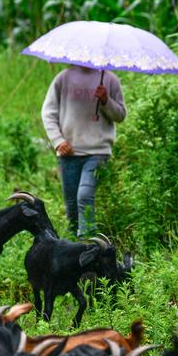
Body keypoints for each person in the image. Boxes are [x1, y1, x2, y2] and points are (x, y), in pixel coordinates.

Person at [41, 65, 126, 239]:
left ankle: (88, 244)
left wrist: (105, 101)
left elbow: (121, 115)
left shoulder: (110, 79)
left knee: (84, 196)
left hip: (98, 152)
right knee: (71, 203)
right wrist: (58, 141)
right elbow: (48, 112)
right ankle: (73, 245)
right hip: (68, 152)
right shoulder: (63, 78)